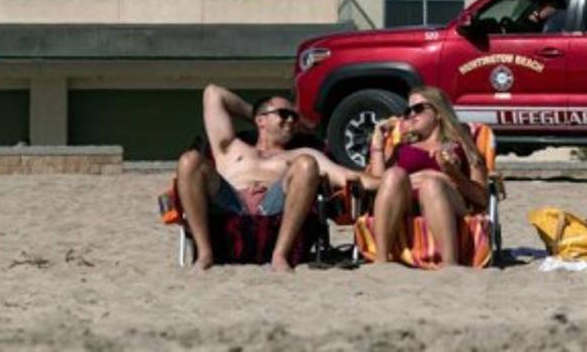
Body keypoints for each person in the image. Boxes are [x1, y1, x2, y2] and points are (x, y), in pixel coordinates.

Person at [175, 84, 378, 272]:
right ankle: (205, 254)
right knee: (189, 160)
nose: (291, 120)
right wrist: (255, 113)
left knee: (307, 164)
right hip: (230, 201)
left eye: (294, 117)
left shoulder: (302, 153)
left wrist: (397, 179)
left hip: (272, 204)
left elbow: (347, 177)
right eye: (284, 114)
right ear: (260, 120)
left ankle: (279, 255)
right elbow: (213, 93)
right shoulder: (230, 146)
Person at [367, 86, 489, 265]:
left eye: (418, 109)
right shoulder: (402, 147)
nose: (411, 115)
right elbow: (379, 183)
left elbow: (482, 199)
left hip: (451, 202)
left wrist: (453, 175)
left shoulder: (461, 143)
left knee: (431, 185)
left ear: (439, 112)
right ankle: (381, 259)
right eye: (408, 111)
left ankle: (449, 264)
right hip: (407, 204)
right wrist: (378, 144)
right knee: (393, 175)